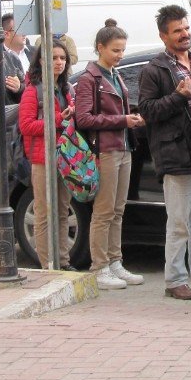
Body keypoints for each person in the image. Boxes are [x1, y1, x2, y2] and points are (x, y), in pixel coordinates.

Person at [137, 5, 191, 300]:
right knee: (179, 222)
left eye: (186, 29)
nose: (185, 34)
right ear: (164, 36)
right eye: (177, 31)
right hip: (176, 153)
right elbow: (147, 111)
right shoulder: (155, 70)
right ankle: (175, 280)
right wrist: (178, 96)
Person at [75, 19, 146, 290]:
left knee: (118, 209)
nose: (120, 55)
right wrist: (122, 120)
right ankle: (100, 266)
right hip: (104, 150)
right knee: (104, 211)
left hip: (123, 146)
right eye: (115, 50)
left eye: (122, 50)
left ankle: (115, 262)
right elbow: (84, 119)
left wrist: (130, 121)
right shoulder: (89, 78)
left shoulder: (114, 75)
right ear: (100, 48)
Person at [19, 39, 75, 269]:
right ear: (42, 61)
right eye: (53, 58)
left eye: (62, 58)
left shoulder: (65, 88)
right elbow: (26, 126)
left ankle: (62, 260)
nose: (59, 62)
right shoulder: (34, 90)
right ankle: (47, 264)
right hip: (42, 159)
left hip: (65, 157)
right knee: (43, 212)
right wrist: (59, 119)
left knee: (63, 210)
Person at [0, 14, 26, 104]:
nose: (24, 33)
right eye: (19, 30)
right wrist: (18, 88)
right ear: (6, 34)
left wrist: (20, 87)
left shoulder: (34, 53)